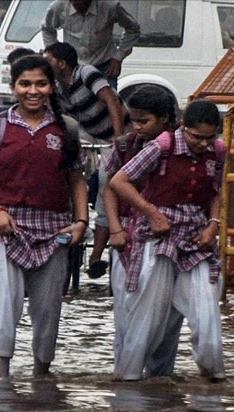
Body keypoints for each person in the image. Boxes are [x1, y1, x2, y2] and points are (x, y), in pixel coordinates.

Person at [0, 55, 88, 379]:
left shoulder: (67, 129)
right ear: (13, 87)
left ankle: (40, 376)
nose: (32, 91)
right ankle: (0, 381)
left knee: (49, 309)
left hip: (54, 229)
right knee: (3, 307)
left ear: (51, 87)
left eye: (40, 83)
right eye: (25, 84)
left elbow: (77, 180)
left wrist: (81, 222)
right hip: (4, 228)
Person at [109, 99, 225, 382]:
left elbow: (215, 192)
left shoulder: (218, 152)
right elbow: (118, 181)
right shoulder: (161, 147)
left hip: (196, 239)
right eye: (197, 137)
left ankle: (213, 376)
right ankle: (129, 377)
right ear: (183, 127)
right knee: (148, 314)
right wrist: (151, 214)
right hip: (159, 239)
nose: (202, 144)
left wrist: (214, 225)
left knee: (207, 310)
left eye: (209, 137)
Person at [101, 85, 178, 381]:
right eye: (133, 120)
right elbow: (110, 187)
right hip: (129, 240)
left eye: (143, 121)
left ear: (164, 119)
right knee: (125, 312)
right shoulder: (125, 145)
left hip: (166, 241)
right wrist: (115, 230)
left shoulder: (178, 146)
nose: (137, 127)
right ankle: (127, 376)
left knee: (166, 318)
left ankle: (157, 379)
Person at [44, 41, 123, 279]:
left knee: (105, 187)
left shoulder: (86, 73)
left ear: (61, 63)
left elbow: (111, 100)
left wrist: (120, 140)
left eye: (49, 59)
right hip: (89, 135)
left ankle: (96, 256)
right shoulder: (58, 86)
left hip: (114, 134)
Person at [41, 0, 140, 88]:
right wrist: (56, 55)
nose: (76, 4)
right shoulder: (58, 7)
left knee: (108, 103)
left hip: (104, 66)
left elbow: (133, 28)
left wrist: (118, 57)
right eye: (73, 3)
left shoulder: (110, 6)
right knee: (74, 104)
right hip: (73, 68)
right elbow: (47, 29)